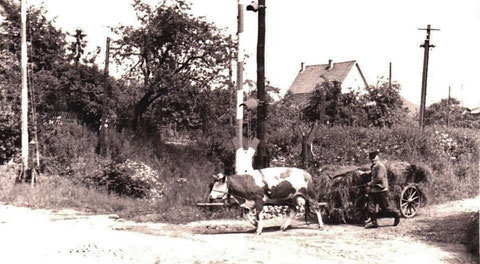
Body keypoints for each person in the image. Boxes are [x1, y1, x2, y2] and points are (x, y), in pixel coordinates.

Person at [364, 151, 401, 228]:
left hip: (381, 190)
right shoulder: (374, 166)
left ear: (378, 157)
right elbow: (373, 174)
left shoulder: (380, 166)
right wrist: (364, 174)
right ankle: (374, 223)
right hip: (373, 190)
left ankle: (396, 214)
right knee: (370, 207)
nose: (373, 159)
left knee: (385, 209)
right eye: (371, 158)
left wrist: (370, 183)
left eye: (374, 157)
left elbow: (378, 178)